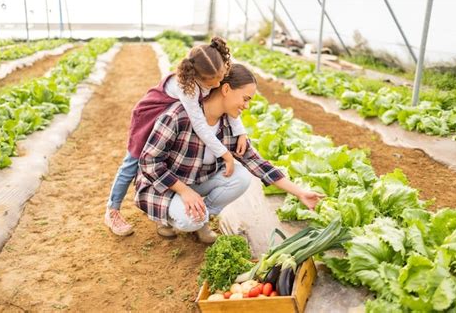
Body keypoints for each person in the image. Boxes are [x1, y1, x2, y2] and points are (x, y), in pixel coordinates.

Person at [135, 64, 324, 243]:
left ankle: (201, 219)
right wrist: (184, 192)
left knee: (241, 177)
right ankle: (169, 217)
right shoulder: (179, 116)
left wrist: (300, 193)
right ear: (226, 90)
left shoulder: (230, 125)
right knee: (189, 220)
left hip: (195, 181)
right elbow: (149, 162)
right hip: (164, 186)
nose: (246, 106)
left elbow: (257, 163)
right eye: (245, 98)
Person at [105, 37, 248, 236]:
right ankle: (113, 210)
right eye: (213, 80)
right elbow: (199, 124)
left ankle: (195, 215)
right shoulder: (186, 89)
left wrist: (240, 131)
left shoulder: (215, 71)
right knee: (133, 161)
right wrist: (224, 153)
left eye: (221, 77)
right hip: (150, 115)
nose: (218, 83)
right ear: (196, 77)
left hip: (170, 117)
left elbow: (228, 104)